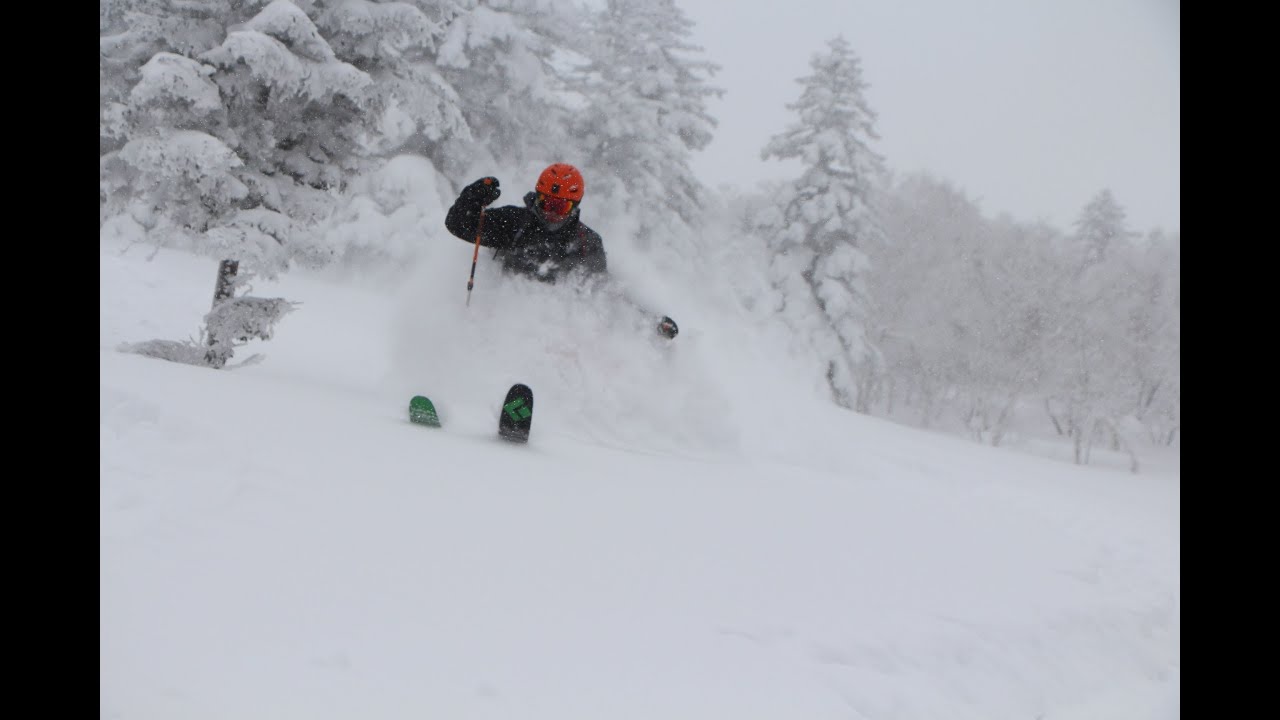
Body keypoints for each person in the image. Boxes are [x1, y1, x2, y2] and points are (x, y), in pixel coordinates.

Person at [445, 163, 678, 339]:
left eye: (561, 206)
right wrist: (472, 199)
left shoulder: (587, 242)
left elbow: (603, 291)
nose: (551, 213)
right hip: (503, 319)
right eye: (546, 203)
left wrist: (651, 321)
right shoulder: (514, 222)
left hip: (555, 330)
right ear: (537, 197)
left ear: (574, 206)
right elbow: (459, 225)